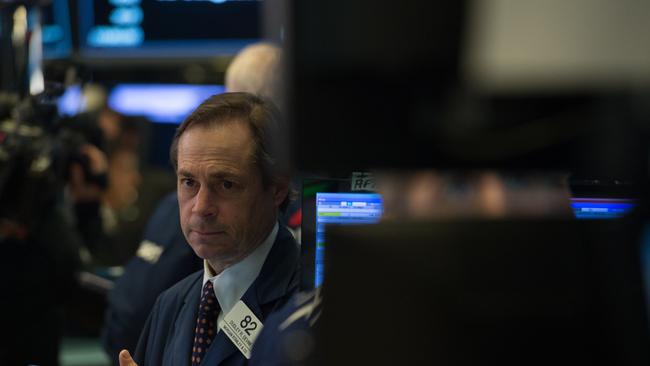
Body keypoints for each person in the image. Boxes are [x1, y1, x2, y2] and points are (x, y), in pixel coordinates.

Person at [119, 92, 299, 366]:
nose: (200, 207)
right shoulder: (170, 305)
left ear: (277, 188)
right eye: (189, 182)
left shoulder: (313, 308)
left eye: (226, 184)